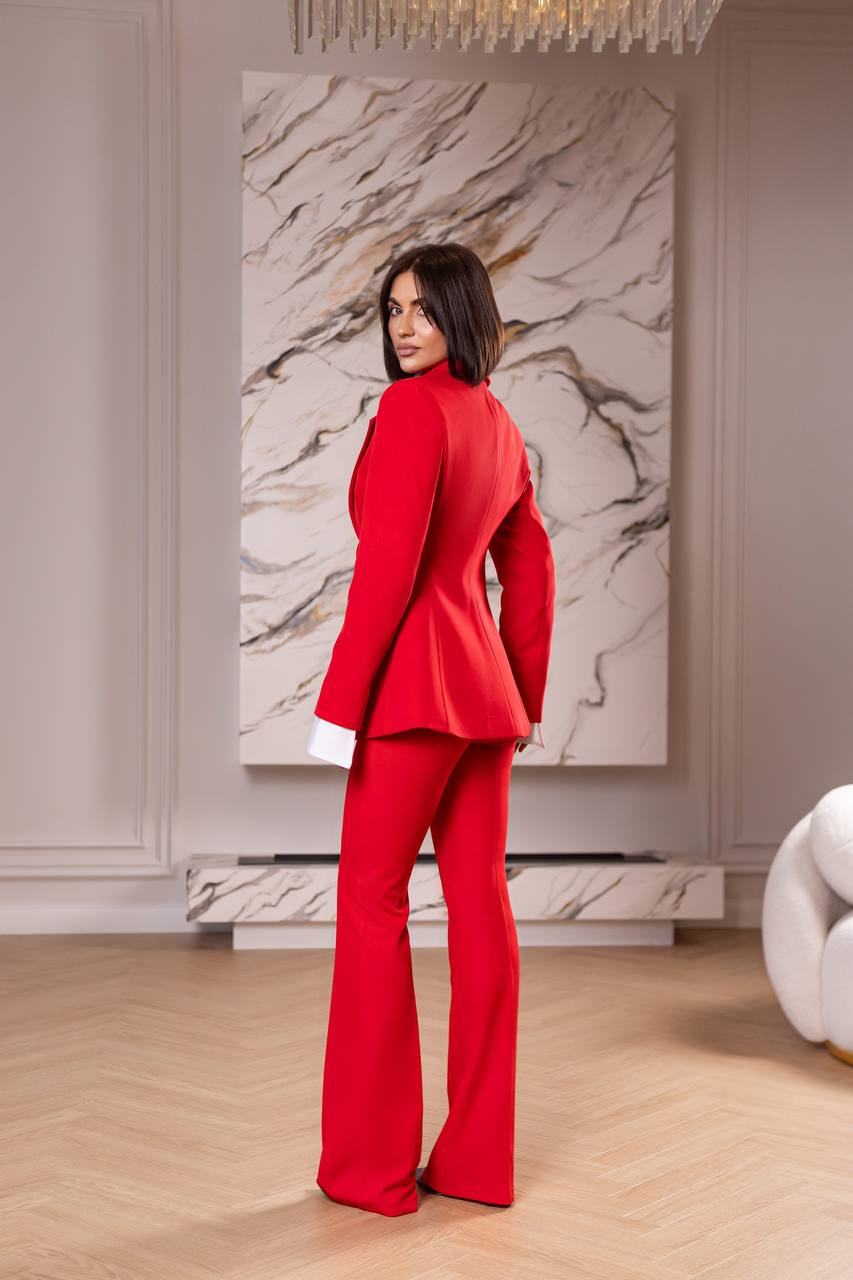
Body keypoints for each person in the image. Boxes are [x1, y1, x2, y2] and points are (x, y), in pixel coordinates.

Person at [308, 242, 556, 1216]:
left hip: (410, 697)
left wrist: (338, 707)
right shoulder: (499, 425)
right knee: (480, 907)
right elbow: (529, 571)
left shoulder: (410, 411)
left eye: (420, 308)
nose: (402, 326)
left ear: (464, 312)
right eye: (391, 310)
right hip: (483, 702)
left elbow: (387, 575)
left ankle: (369, 1169)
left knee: (372, 905)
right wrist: (522, 695)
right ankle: (474, 1162)